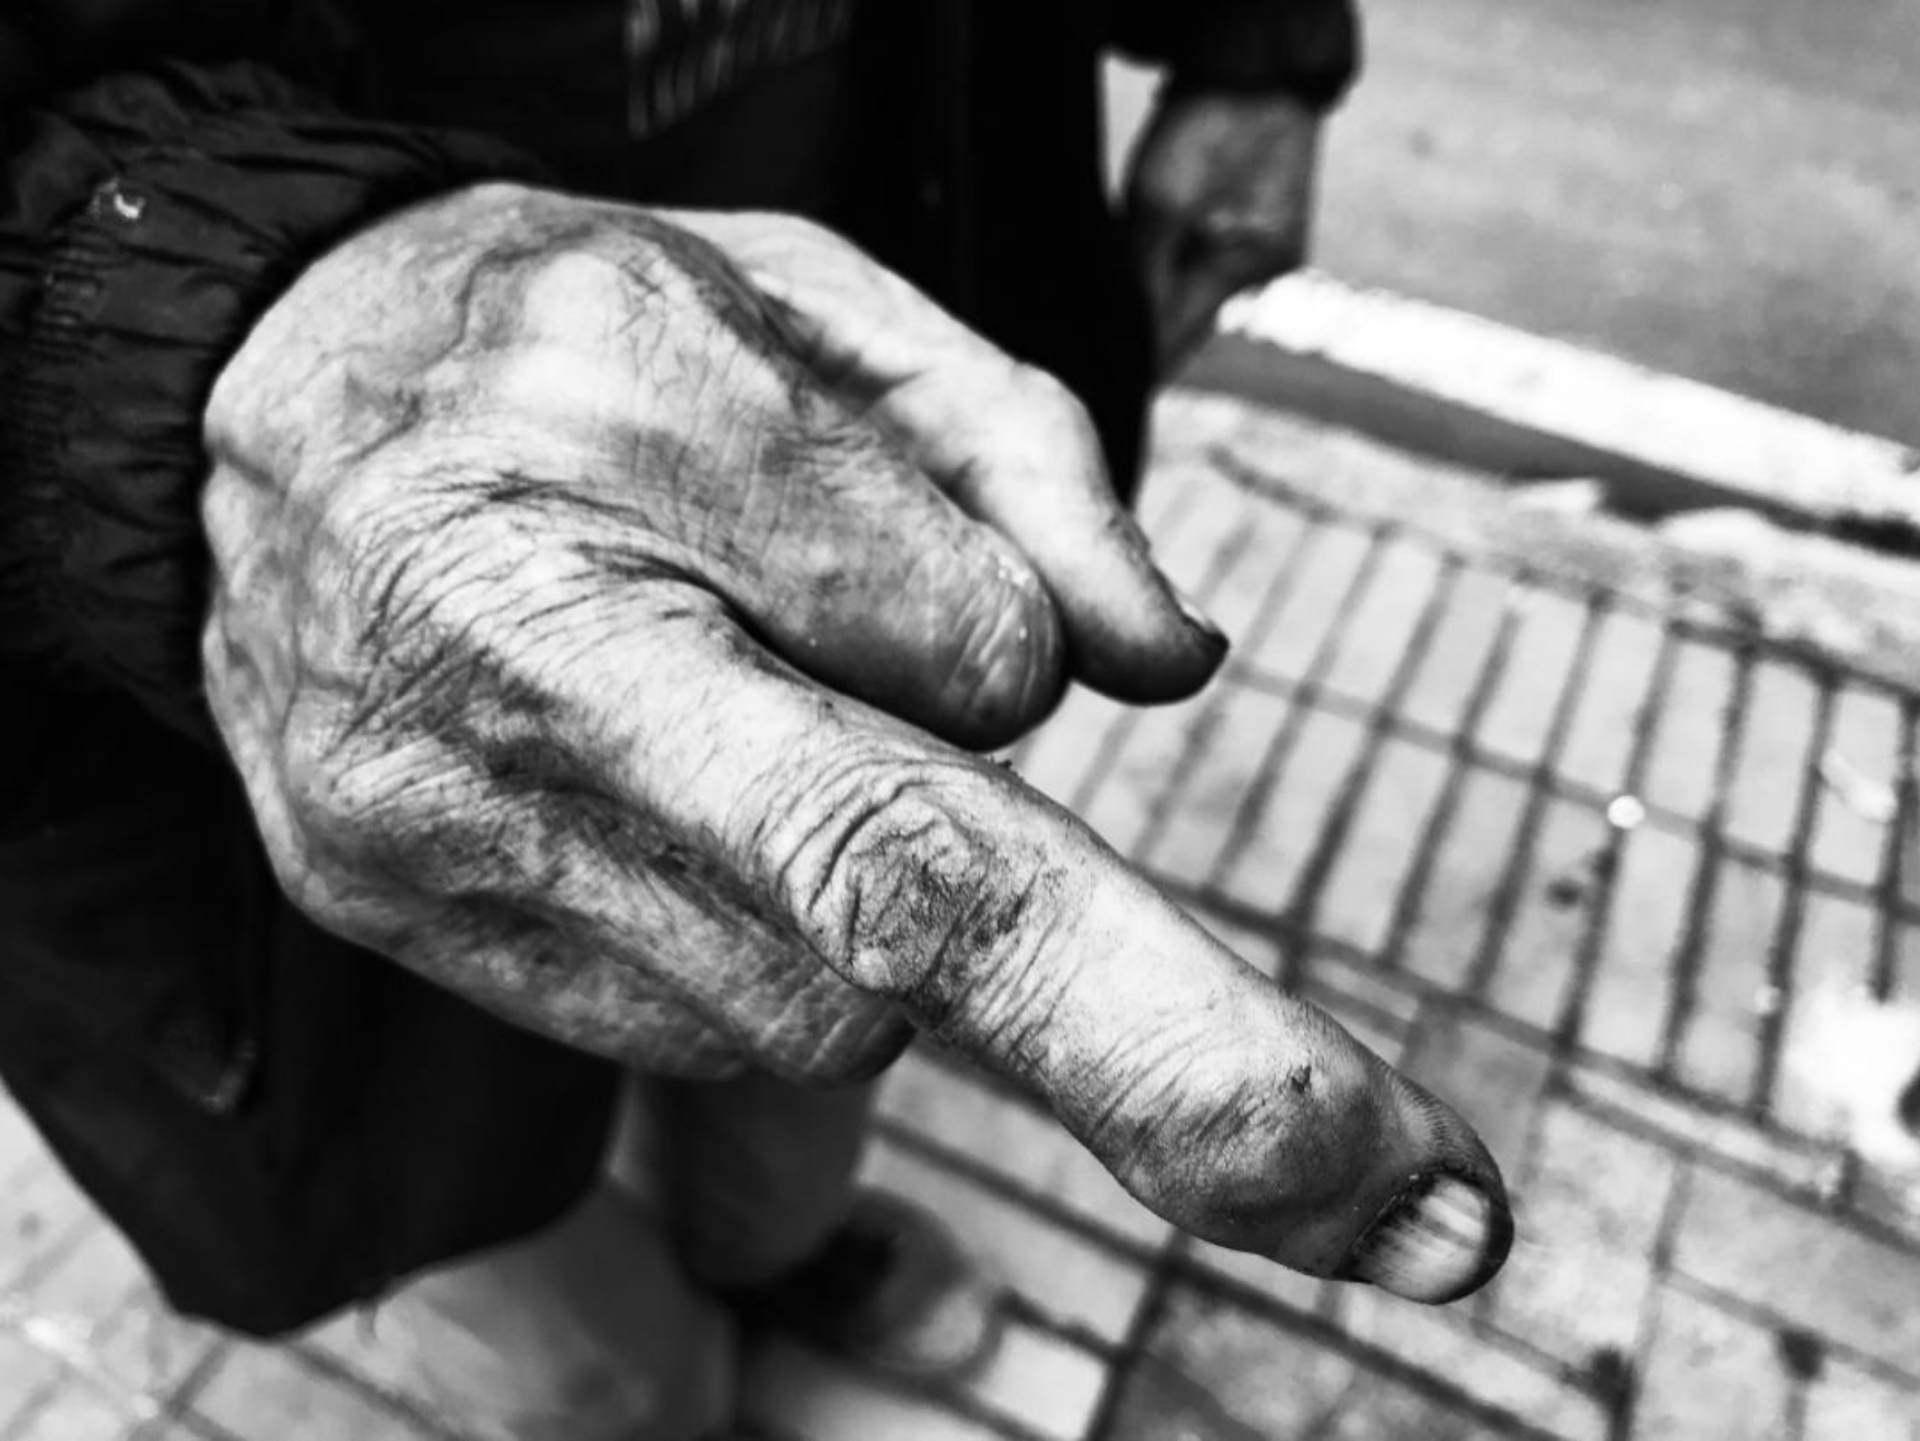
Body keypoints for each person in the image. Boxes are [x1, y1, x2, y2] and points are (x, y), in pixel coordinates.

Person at [0, 3, 1513, 1435]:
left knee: (832, 1012)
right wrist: (145, 327)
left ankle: (777, 1251)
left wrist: (1255, 46)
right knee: (571, 1341)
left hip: (865, 420)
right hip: (212, 697)